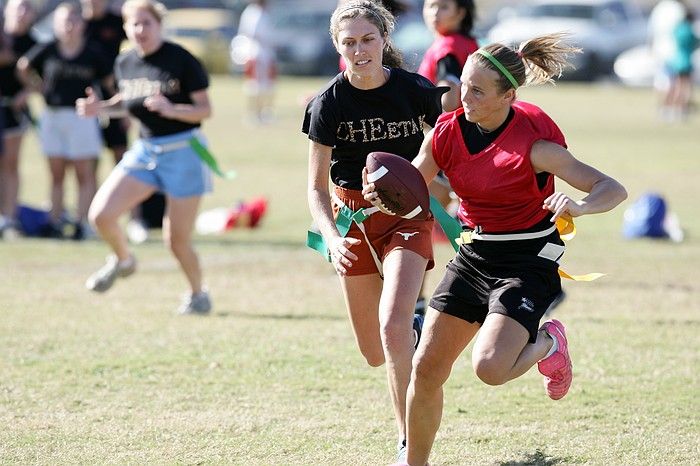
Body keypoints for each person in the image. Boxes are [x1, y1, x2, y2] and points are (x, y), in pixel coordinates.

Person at [363, 34, 628, 465]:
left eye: (478, 90)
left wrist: (578, 205)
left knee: (489, 369)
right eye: (464, 84)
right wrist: (383, 191)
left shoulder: (535, 146)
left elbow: (611, 188)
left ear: (509, 96)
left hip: (527, 262)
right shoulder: (446, 133)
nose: (464, 96)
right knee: (427, 368)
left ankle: (548, 343)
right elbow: (414, 182)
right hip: (474, 255)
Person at [302, 1, 446, 462]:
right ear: (336, 45)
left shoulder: (416, 90)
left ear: (384, 38)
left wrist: (428, 181)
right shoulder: (327, 104)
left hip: (407, 217)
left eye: (367, 39)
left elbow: (444, 140)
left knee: (392, 325)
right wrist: (328, 236)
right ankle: (414, 330)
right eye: (349, 42)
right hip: (353, 222)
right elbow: (315, 187)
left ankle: (408, 443)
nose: (359, 50)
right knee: (374, 352)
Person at [76, 0, 214, 315]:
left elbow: (205, 110)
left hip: (184, 152)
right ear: (125, 28)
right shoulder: (125, 62)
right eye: (133, 24)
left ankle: (198, 294)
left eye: (146, 23)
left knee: (176, 240)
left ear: (159, 25)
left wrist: (173, 109)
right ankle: (124, 260)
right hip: (146, 150)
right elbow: (130, 100)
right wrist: (102, 108)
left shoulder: (180, 59)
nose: (140, 30)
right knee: (101, 215)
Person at [17, 2, 112, 240]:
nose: (68, 26)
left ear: (81, 24)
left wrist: (108, 106)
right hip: (53, 115)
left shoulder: (93, 52)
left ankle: (82, 223)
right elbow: (24, 67)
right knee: (56, 173)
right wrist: (35, 88)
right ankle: (54, 220)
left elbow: (109, 81)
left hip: (82, 117)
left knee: (84, 172)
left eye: (73, 21)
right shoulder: (47, 49)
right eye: (63, 22)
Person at [81, 0, 155, 243]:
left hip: (117, 95)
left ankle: (135, 220)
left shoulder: (116, 21)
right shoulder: (80, 22)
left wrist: (127, 109)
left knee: (124, 158)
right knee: (87, 164)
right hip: (89, 100)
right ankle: (89, 219)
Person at [0, 0, 36, 239]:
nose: (21, 13)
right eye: (17, 7)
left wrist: (27, 91)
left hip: (12, 111)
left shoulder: (34, 44)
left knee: (10, 164)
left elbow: (42, 79)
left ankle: (8, 218)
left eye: (26, 7)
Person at [236, 0, 276, 124]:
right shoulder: (253, 13)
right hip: (256, 53)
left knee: (268, 86)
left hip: (265, 53)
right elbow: (252, 33)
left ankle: (263, 112)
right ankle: (254, 114)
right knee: (255, 86)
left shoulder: (263, 13)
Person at [648, 0, 685, 119]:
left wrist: (651, 48)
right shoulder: (678, 8)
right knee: (675, 81)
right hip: (674, 51)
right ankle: (673, 108)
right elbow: (682, 31)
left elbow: (651, 31)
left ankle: (664, 108)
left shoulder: (659, 7)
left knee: (662, 82)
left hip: (659, 51)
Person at [667, 4, 697, 120]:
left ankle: (672, 109)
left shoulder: (678, 29)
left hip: (676, 61)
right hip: (686, 61)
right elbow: (695, 42)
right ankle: (682, 109)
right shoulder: (689, 31)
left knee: (676, 85)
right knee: (685, 87)